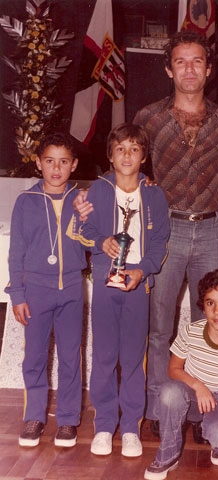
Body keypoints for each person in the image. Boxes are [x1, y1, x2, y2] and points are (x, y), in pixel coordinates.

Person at [133, 30, 218, 439]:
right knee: (159, 325)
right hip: (166, 232)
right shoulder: (148, 118)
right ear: (168, 69)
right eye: (180, 61)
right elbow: (129, 171)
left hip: (211, 230)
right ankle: (155, 409)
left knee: (209, 324)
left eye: (197, 61)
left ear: (209, 69)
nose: (189, 69)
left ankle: (202, 412)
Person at [77, 123, 170, 457]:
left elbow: (159, 243)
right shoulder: (98, 191)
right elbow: (84, 232)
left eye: (134, 148)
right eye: (120, 149)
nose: (127, 155)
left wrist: (142, 271)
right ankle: (104, 424)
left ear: (143, 156)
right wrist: (100, 242)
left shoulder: (154, 194)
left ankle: (131, 425)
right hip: (105, 283)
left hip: (136, 286)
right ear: (110, 156)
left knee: (132, 358)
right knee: (104, 355)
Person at [144, 268, 218, 480]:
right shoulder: (191, 332)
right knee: (168, 392)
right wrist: (198, 386)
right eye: (211, 303)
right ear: (203, 305)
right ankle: (168, 453)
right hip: (192, 395)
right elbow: (173, 369)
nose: (217, 311)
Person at [5, 132, 86, 448]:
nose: (56, 168)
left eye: (64, 162)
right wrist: (18, 295)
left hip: (73, 288)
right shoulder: (26, 202)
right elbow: (16, 251)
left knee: (70, 356)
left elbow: (93, 238)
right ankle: (35, 416)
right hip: (37, 289)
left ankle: (67, 421)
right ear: (38, 163)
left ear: (74, 165)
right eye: (49, 161)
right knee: (35, 356)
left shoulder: (82, 200)